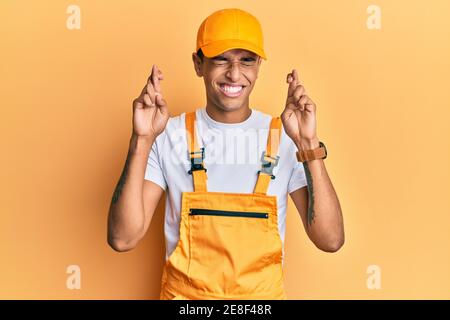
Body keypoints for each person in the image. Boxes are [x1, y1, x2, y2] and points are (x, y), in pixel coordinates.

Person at [107, 8, 344, 300]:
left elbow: (331, 239)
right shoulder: (169, 134)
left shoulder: (283, 137)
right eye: (221, 59)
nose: (234, 73)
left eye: (247, 60)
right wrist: (141, 140)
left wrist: (308, 143)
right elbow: (122, 238)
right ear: (198, 63)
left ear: (258, 66)